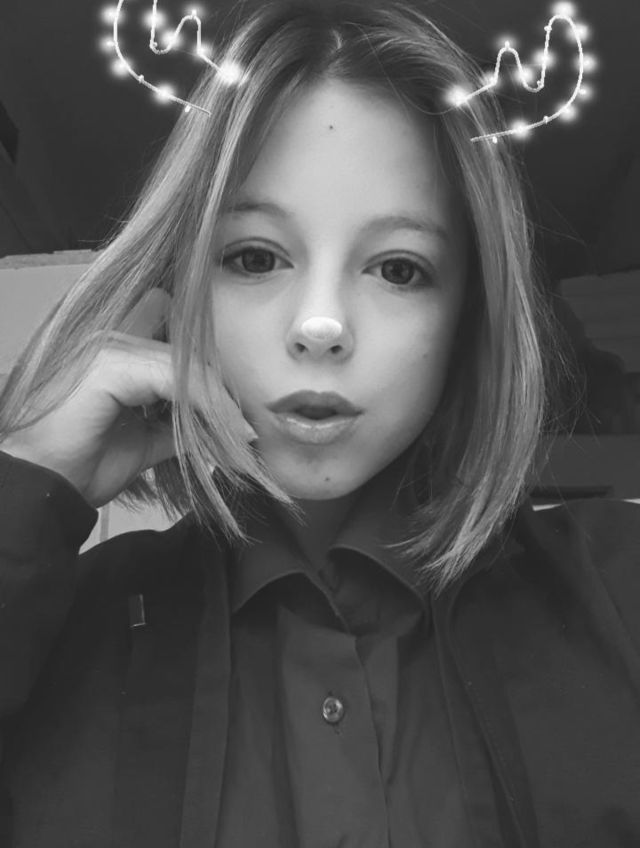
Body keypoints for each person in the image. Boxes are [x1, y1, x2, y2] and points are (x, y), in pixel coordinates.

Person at [0, 1, 639, 846]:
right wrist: (26, 481)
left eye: (399, 269)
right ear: (180, 299)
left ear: (466, 321)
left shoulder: (616, 590)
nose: (320, 326)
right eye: (255, 257)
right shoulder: (52, 629)